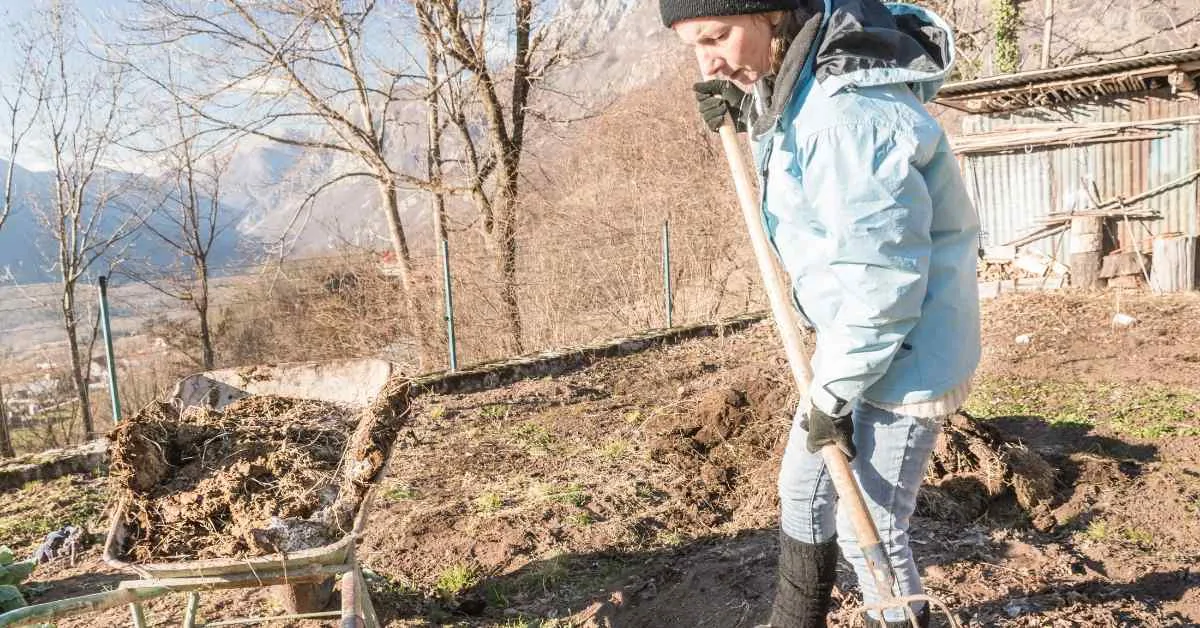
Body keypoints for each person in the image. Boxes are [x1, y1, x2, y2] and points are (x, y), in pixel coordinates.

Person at [659, 1, 982, 626]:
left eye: (717, 37)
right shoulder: (808, 78)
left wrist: (830, 398)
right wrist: (751, 112)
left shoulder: (845, 117)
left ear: (772, 14)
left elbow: (882, 284)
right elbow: (808, 156)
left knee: (872, 528)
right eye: (694, 46)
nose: (708, 63)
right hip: (854, 342)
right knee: (801, 490)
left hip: (907, 352)